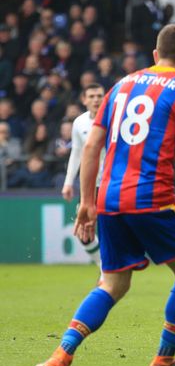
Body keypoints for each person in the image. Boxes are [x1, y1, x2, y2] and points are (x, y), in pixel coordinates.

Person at [34, 24, 175, 366]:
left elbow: (92, 146)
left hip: (109, 200)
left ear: (155, 55)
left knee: (112, 282)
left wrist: (86, 202)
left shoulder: (120, 85)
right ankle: (164, 362)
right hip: (152, 199)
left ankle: (61, 354)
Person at [61, 83, 105, 268]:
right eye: (92, 96)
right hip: (89, 186)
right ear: (84, 100)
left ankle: (111, 272)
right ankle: (103, 267)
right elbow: (76, 153)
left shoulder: (113, 120)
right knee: (83, 233)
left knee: (110, 231)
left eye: (99, 95)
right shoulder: (79, 122)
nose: (96, 99)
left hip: (112, 183)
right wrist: (68, 182)